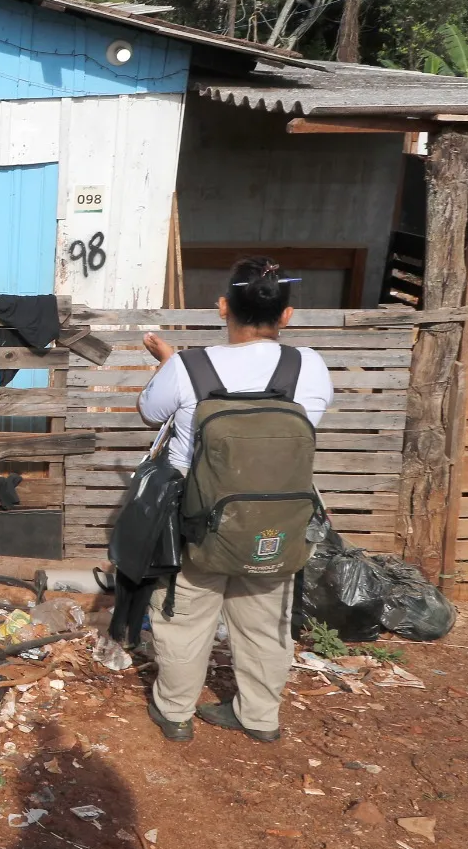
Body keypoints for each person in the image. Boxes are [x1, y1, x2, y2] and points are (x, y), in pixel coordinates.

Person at [135, 256, 333, 742]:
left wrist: (169, 362)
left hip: (195, 519)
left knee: (184, 615)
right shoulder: (308, 365)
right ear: (287, 314)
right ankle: (259, 717)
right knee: (265, 623)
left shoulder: (188, 366)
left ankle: (175, 712)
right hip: (276, 521)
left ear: (224, 307)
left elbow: (149, 412)